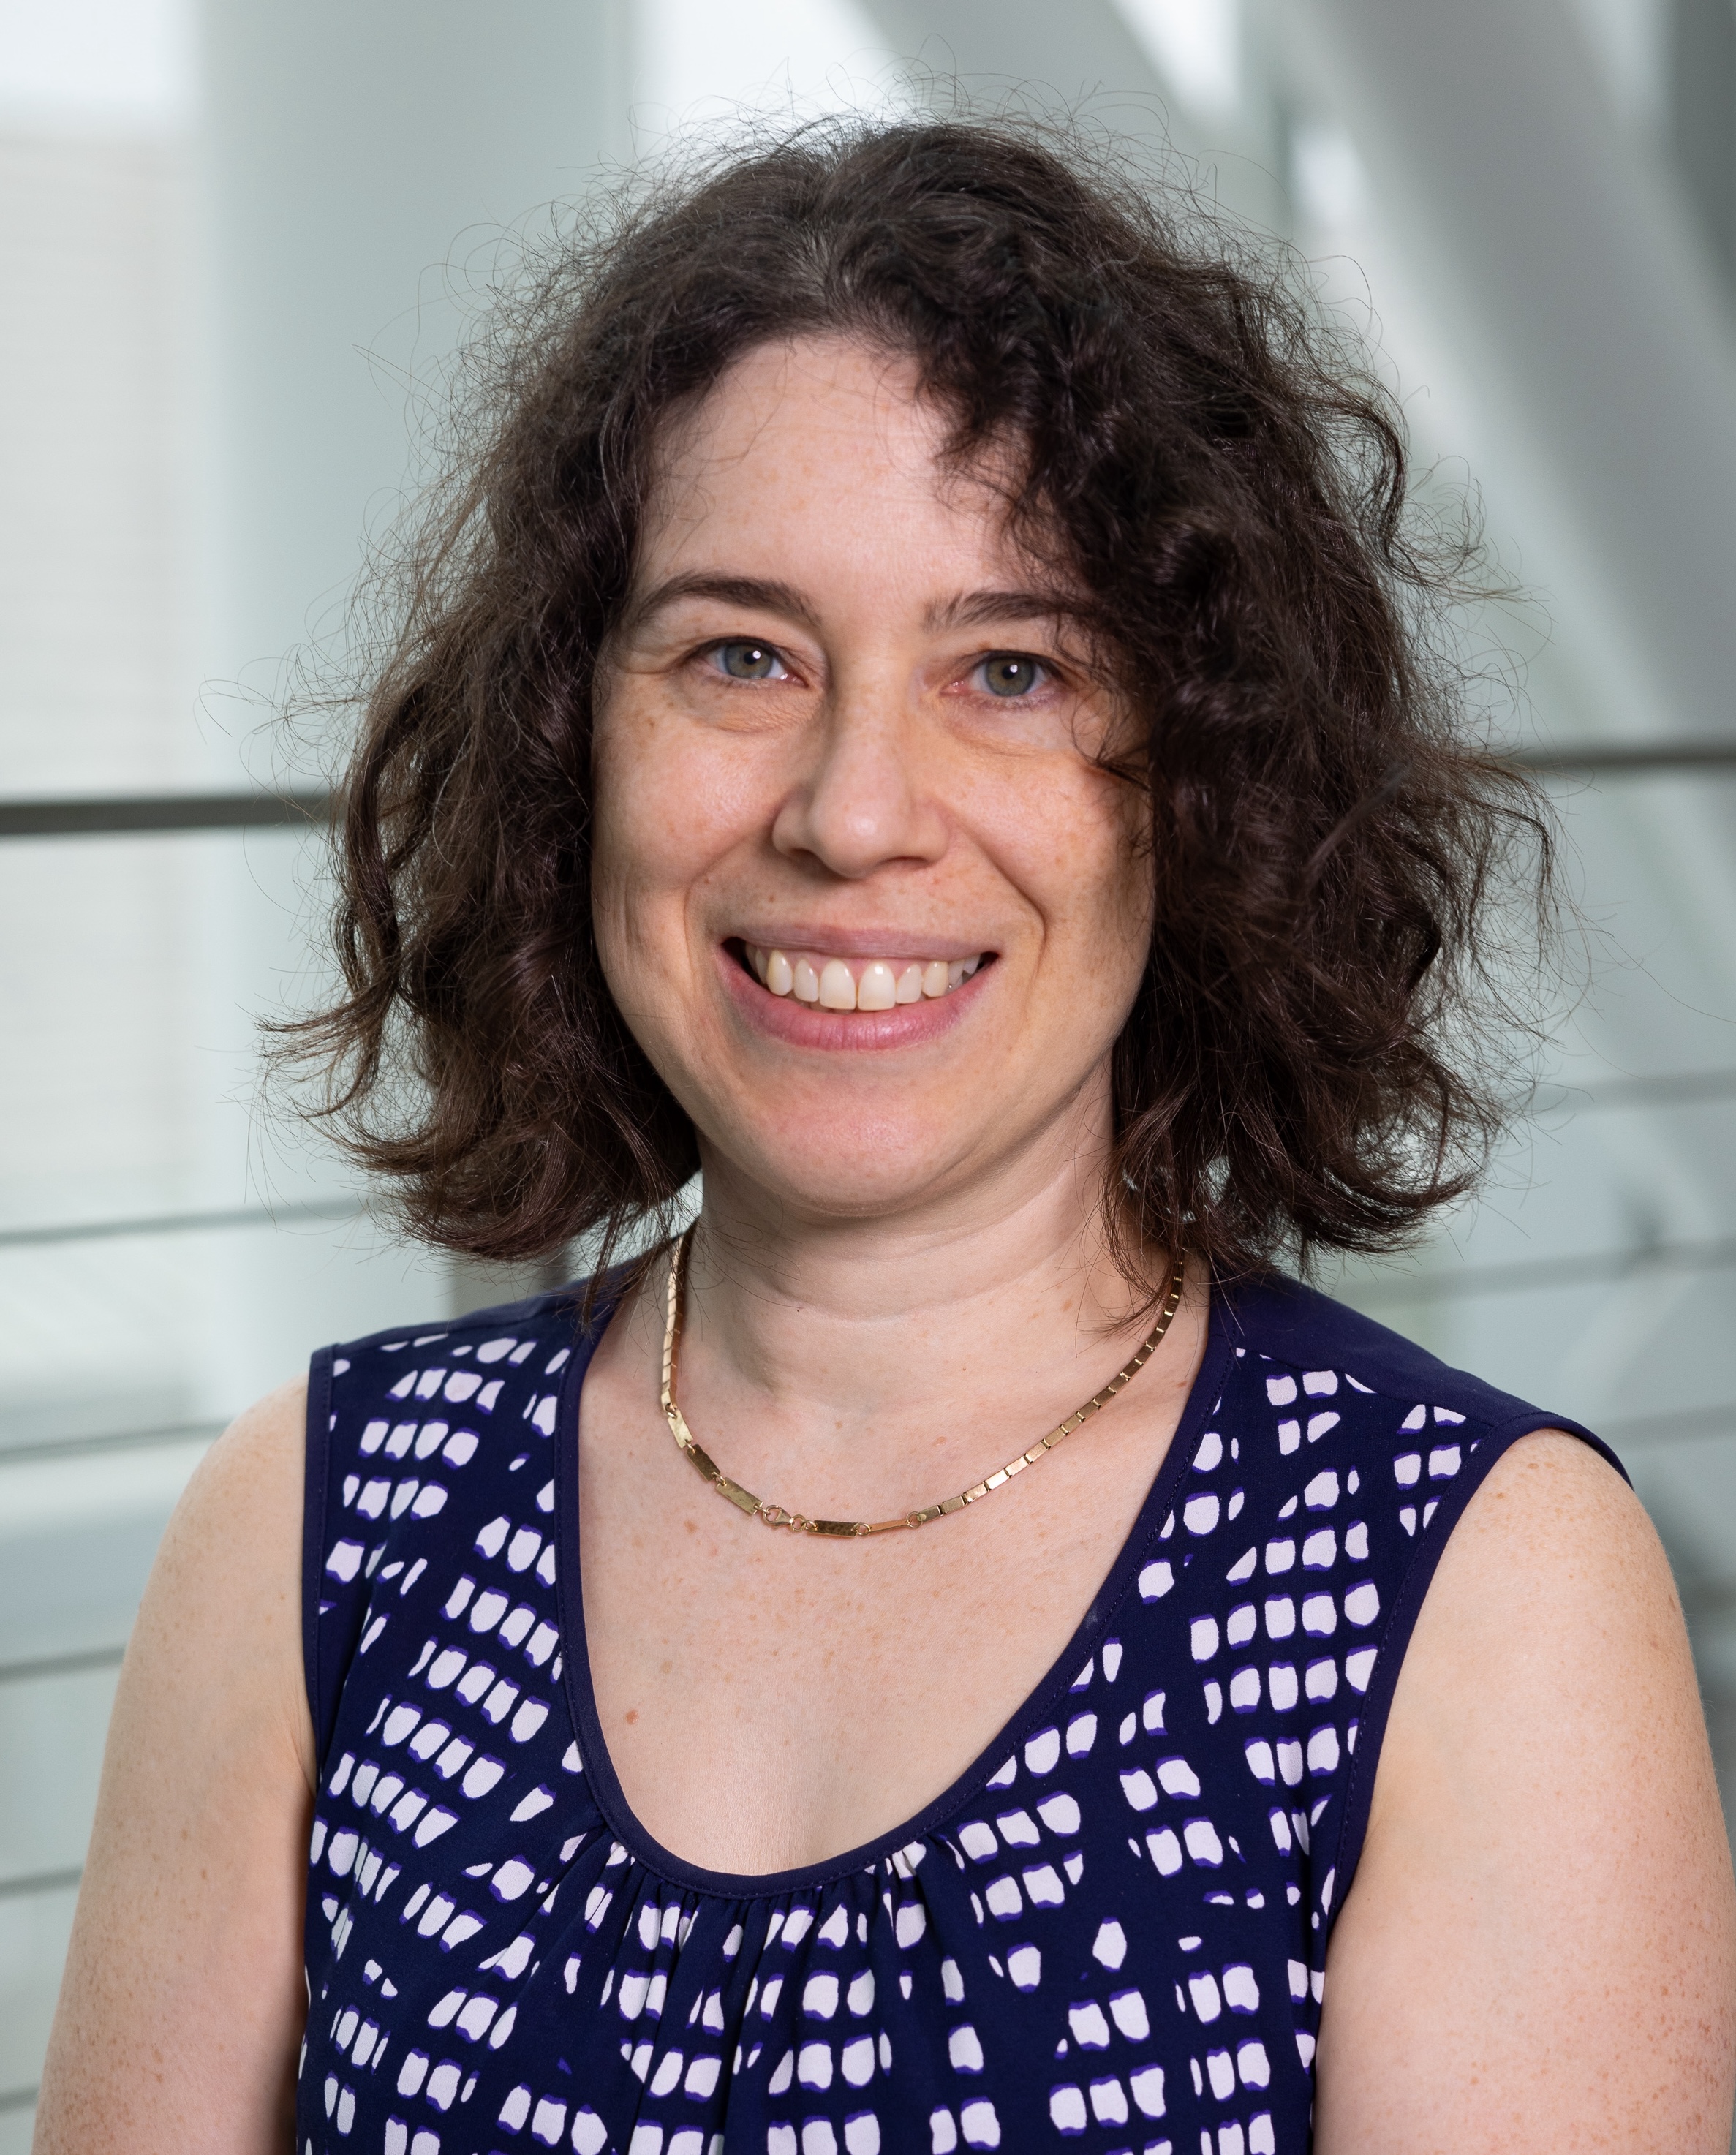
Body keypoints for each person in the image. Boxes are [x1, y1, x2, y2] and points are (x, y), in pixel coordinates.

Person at [34, 118, 1735, 2155]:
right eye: (740, 653)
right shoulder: (312, 1526)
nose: (854, 810)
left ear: (1201, 782)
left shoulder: (1475, 1588)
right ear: (576, 742)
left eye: (1010, 669)